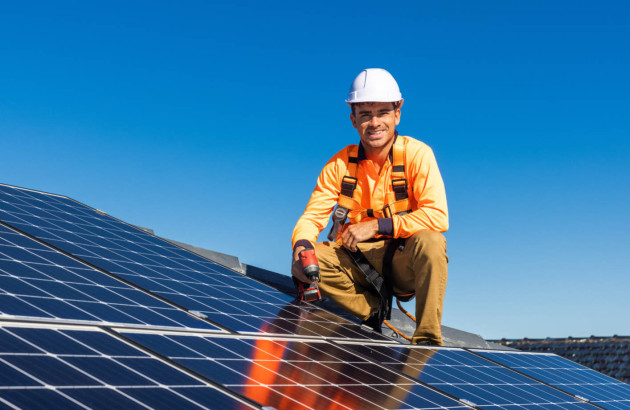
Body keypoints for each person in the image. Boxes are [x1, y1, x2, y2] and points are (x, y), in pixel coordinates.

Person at [291, 68, 449, 346]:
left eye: (382, 113)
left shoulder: (417, 154)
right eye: (365, 114)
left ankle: (426, 339)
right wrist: (301, 246)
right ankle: (372, 309)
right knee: (307, 259)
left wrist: (377, 225)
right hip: (355, 263)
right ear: (353, 120)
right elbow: (312, 217)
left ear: (397, 113)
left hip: (402, 261)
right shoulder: (339, 164)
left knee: (432, 242)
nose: (374, 122)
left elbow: (437, 216)